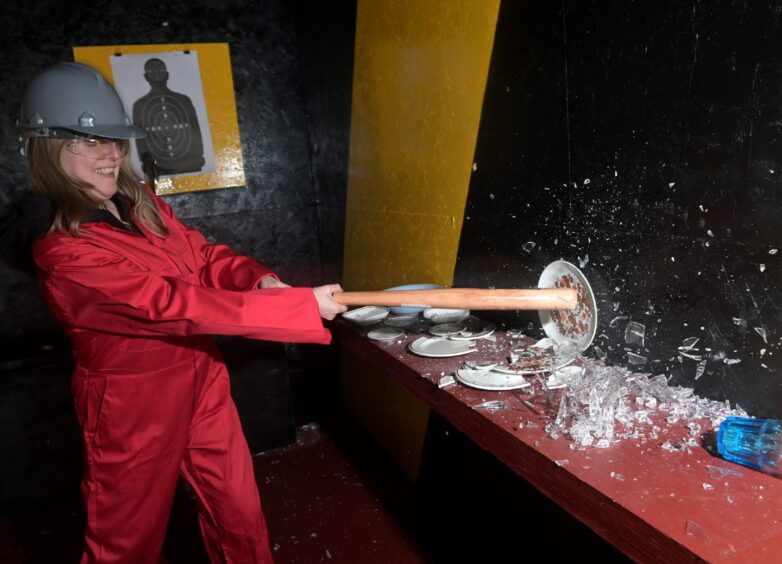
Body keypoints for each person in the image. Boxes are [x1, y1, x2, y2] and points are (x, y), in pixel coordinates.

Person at [12, 61, 347, 563]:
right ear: (45, 147)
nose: (111, 154)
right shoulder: (61, 250)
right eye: (91, 141)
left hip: (201, 379)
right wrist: (294, 306)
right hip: (132, 406)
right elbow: (170, 306)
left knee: (238, 511)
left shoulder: (136, 202)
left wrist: (259, 280)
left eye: (116, 141)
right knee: (124, 543)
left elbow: (203, 258)